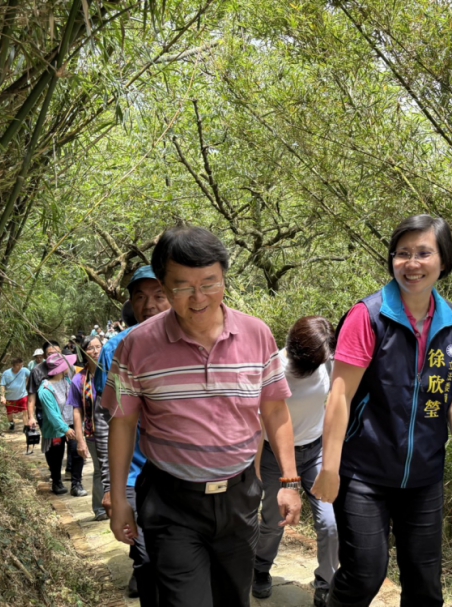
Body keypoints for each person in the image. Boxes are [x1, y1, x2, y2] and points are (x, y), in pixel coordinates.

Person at [103, 226, 301, 607]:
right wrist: (120, 496)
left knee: (234, 600)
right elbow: (123, 422)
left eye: (210, 283)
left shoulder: (257, 334)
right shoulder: (136, 346)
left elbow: (274, 409)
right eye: (182, 286)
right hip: (171, 501)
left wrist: (289, 480)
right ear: (163, 284)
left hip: (239, 499)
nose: (198, 298)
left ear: (224, 277)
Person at [312, 214, 452, 607]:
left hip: (423, 476)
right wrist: (330, 468)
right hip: (365, 473)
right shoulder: (368, 316)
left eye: (423, 253)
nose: (412, 263)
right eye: (402, 253)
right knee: (365, 574)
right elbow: (339, 396)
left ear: (444, 261)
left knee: (425, 586)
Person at [95, 266, 170, 604]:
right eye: (140, 297)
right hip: (137, 472)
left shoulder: (199, 340)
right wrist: (112, 486)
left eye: (159, 295)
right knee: (147, 557)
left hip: (184, 476)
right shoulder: (116, 349)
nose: (149, 305)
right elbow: (107, 419)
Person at [253, 316, 339, 607]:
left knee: (330, 523)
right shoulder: (272, 368)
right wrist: (255, 470)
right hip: (274, 455)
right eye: (312, 361)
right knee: (272, 521)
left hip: (315, 451)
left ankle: (326, 582)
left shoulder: (327, 362)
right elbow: (260, 422)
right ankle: (260, 568)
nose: (317, 366)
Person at [38, 353, 88, 495]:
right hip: (55, 428)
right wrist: (64, 429)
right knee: (56, 456)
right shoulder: (45, 390)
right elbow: (52, 414)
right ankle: (56, 481)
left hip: (72, 423)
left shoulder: (68, 381)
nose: (70, 367)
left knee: (77, 452)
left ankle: (76, 484)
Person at [67, 335, 103, 506]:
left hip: (119, 430)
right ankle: (100, 509)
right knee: (101, 470)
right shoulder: (79, 380)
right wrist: (80, 440)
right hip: (94, 434)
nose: (95, 351)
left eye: (98, 347)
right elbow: (77, 412)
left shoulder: (113, 373)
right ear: (84, 352)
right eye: (91, 348)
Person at [0, 357, 30, 431]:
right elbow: (2, 385)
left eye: (21, 365)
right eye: (18, 365)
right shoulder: (6, 373)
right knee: (9, 412)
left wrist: (27, 386)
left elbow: (31, 377)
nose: (20, 367)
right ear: (13, 365)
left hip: (22, 395)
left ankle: (26, 426)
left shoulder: (25, 370)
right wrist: (3, 396)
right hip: (10, 397)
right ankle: (11, 423)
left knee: (25, 410)